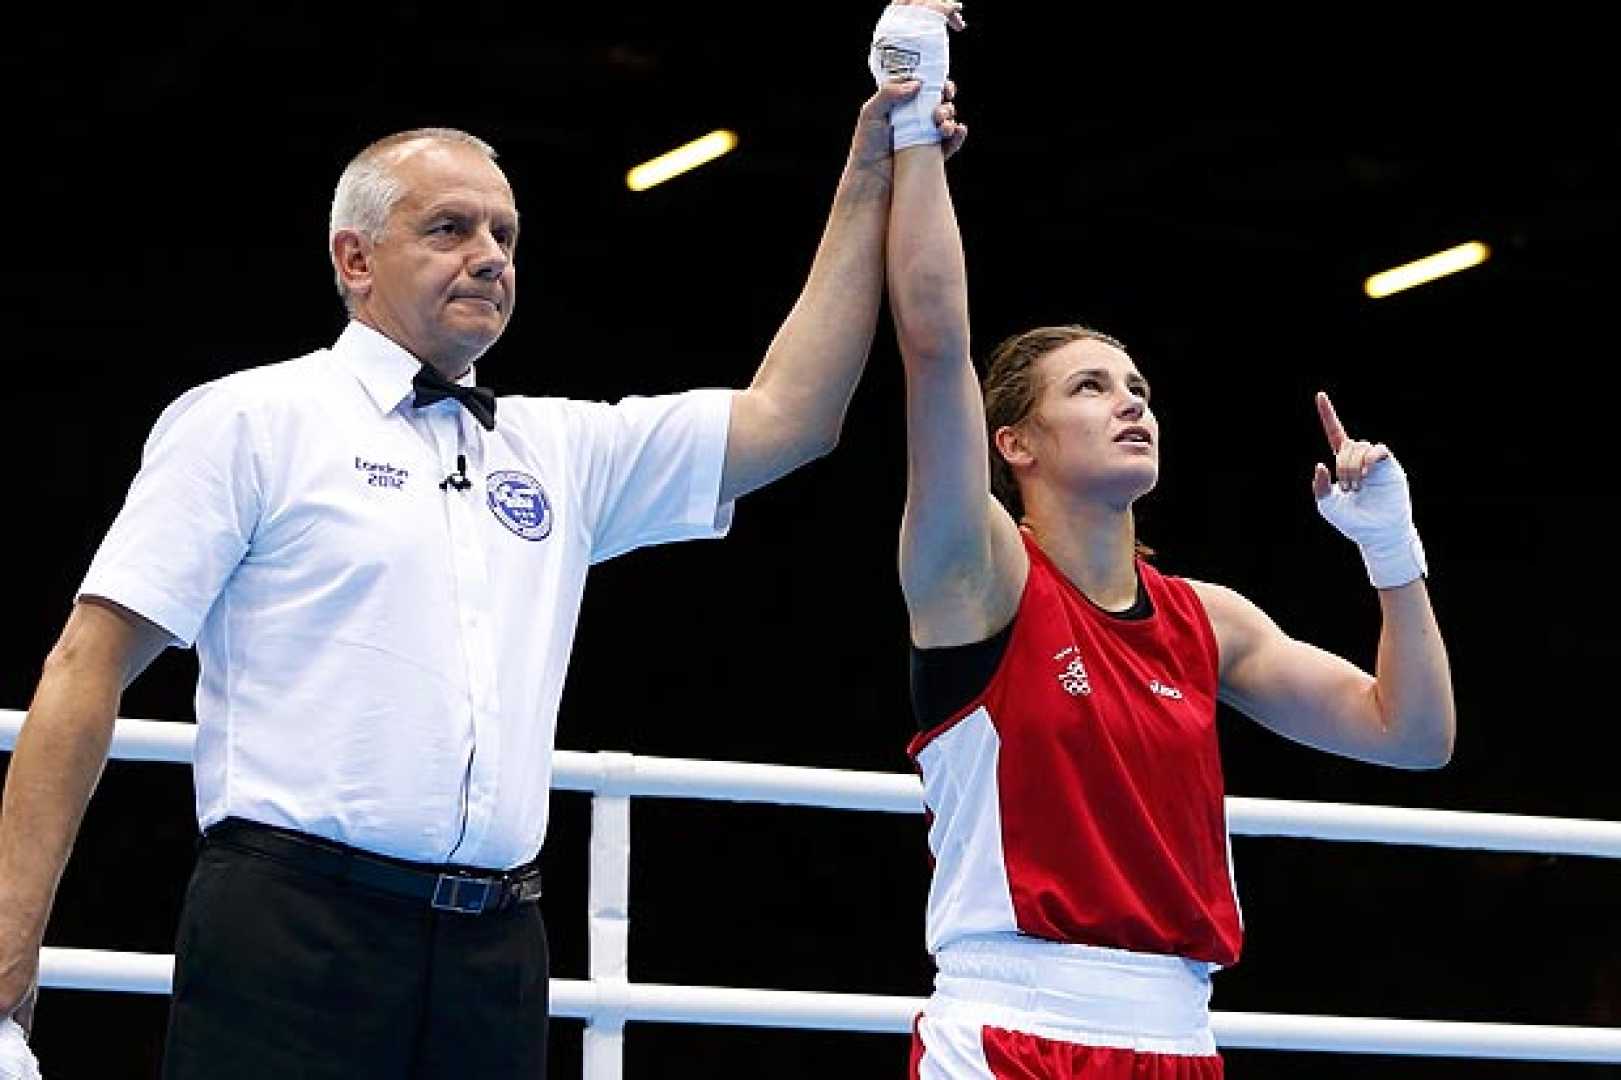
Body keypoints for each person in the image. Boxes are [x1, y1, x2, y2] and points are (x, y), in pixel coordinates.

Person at [0, 14, 964, 1074]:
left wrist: (869, 169)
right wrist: (8, 931)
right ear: (354, 258)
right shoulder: (249, 420)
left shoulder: (554, 446)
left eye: (505, 234)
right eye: (451, 229)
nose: (489, 257)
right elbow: (88, 664)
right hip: (293, 928)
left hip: (494, 949)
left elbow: (792, 417)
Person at [878, 10, 1456, 1078]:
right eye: (1089, 388)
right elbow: (931, 344)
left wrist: (1392, 555)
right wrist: (912, 127)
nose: (1129, 404)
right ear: (1015, 443)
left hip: (1179, 1037)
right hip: (1010, 1030)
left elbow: (1411, 733)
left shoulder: (1208, 620)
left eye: (1137, 387)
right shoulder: (977, 578)